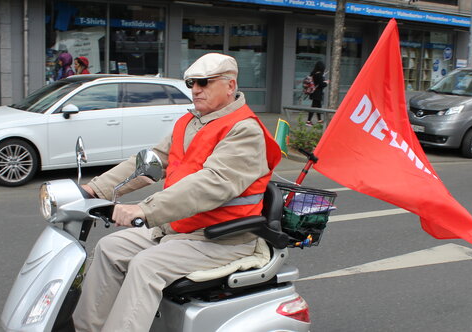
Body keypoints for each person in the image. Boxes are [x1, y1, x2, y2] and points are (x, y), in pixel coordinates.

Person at [72, 53, 281, 331]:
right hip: (180, 229)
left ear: (230, 86)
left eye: (204, 82)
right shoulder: (190, 123)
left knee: (147, 266)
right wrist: (94, 189)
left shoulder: (244, 130)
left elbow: (210, 184)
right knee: (110, 248)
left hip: (221, 238)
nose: (195, 89)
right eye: (191, 83)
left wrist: (144, 210)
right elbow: (149, 162)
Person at [306, 61, 328, 126]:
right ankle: (308, 121)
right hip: (317, 93)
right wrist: (326, 83)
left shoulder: (313, 74)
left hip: (313, 92)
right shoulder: (319, 74)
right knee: (314, 106)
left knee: (318, 106)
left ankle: (319, 120)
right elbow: (321, 84)